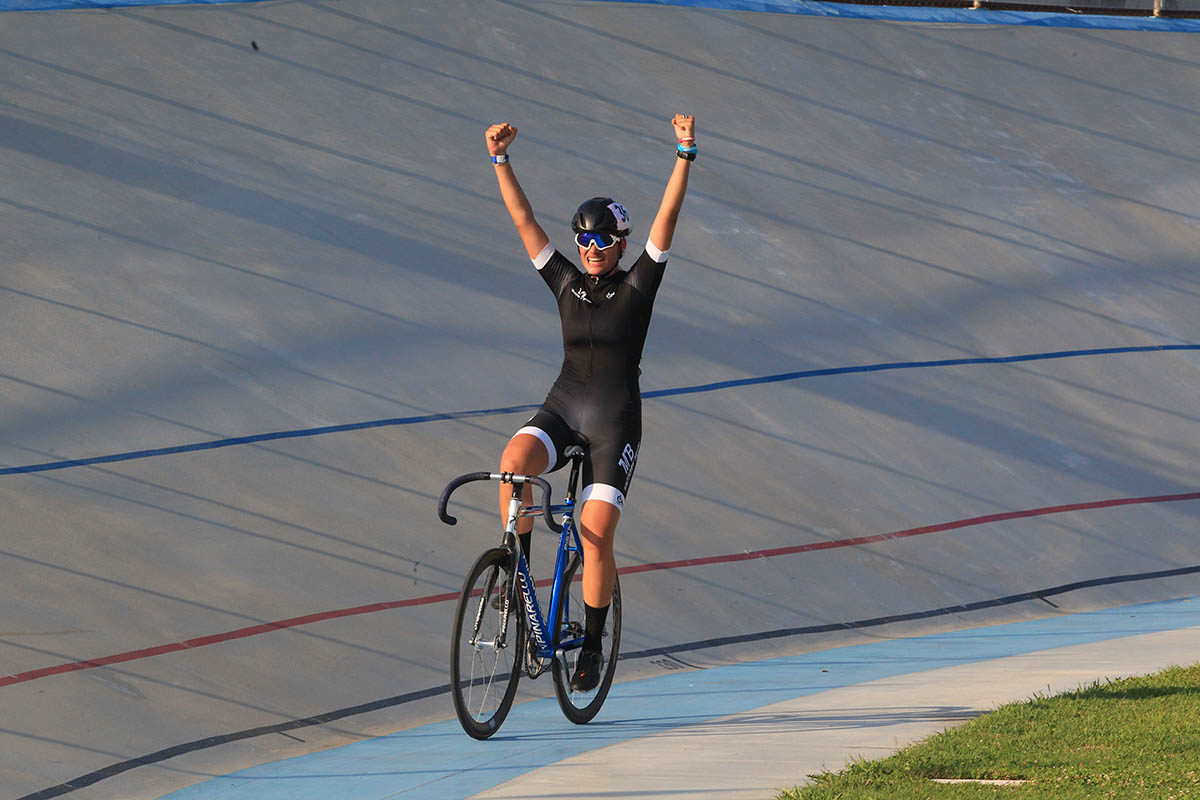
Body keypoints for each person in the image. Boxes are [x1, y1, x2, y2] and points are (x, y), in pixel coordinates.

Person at [484, 114, 695, 692]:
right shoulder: (565, 283)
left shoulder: (637, 287)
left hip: (614, 423)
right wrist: (501, 159)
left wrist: (684, 153)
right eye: (583, 238)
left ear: (621, 244)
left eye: (603, 238)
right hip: (564, 404)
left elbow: (667, 220)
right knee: (511, 467)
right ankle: (518, 574)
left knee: (595, 531)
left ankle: (593, 646)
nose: (591, 247)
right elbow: (524, 220)